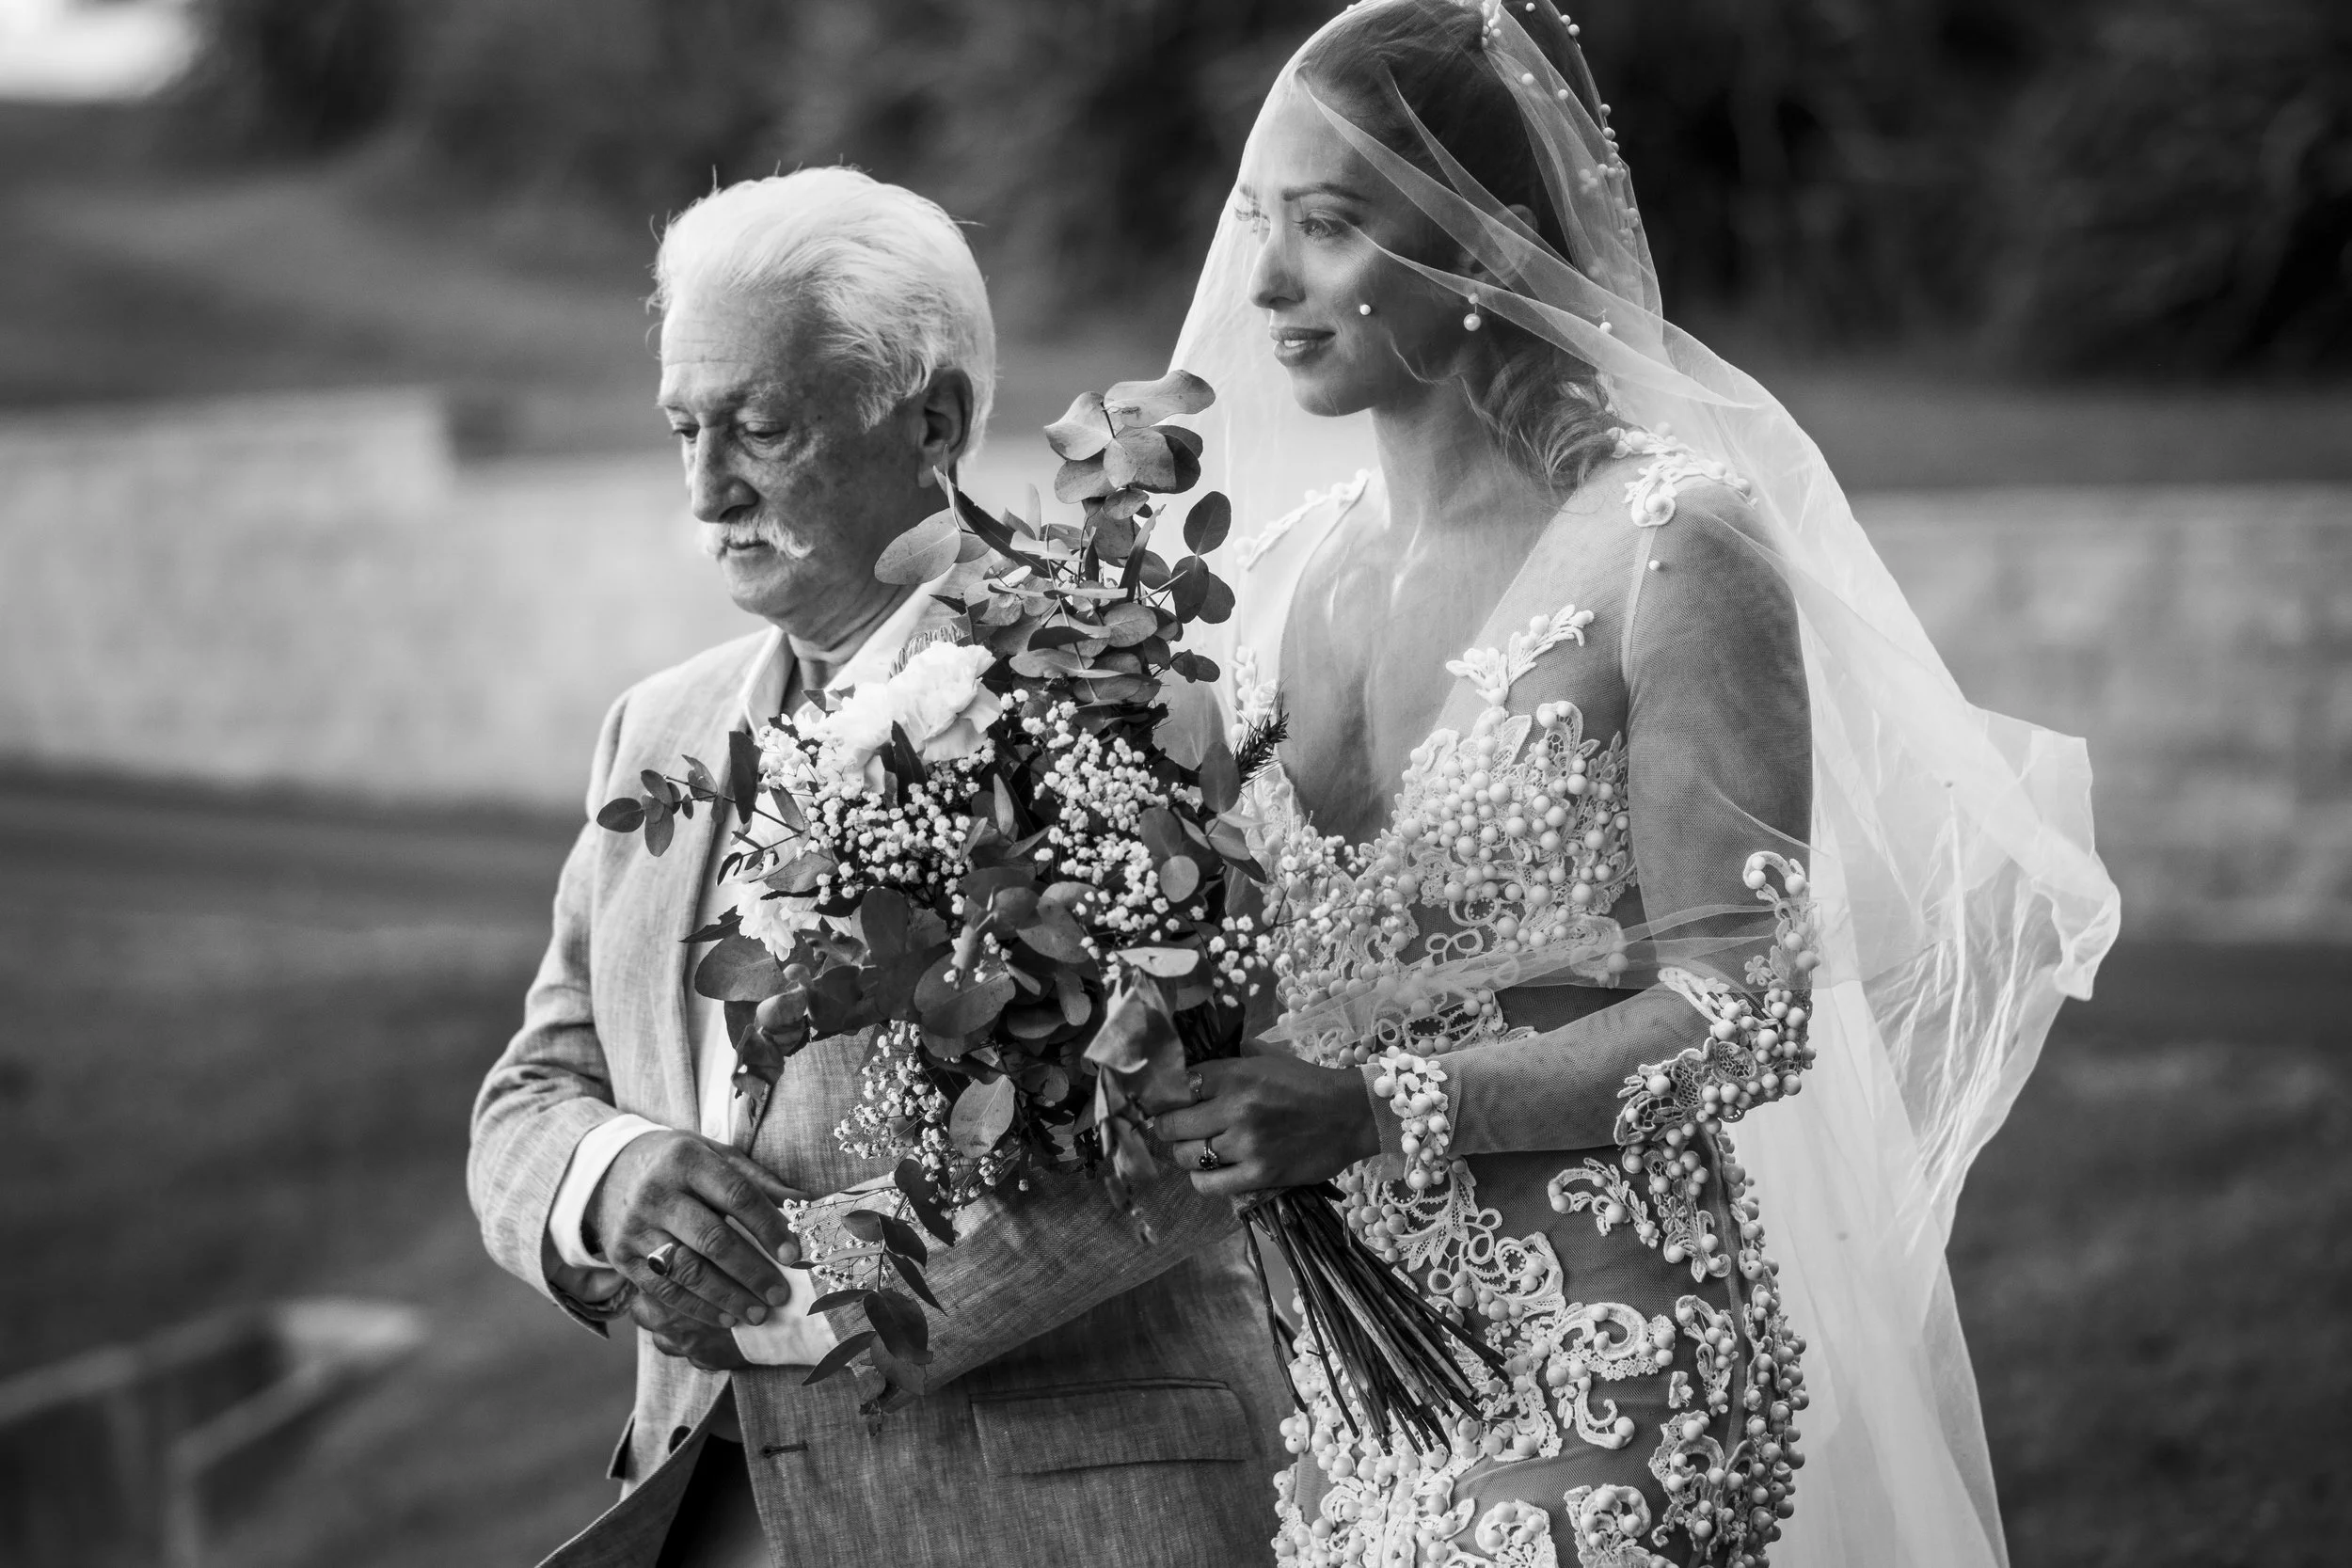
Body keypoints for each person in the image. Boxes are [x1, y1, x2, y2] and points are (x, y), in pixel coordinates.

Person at [1146, 4, 2120, 1566]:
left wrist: (1381, 1109)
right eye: (1259, 220)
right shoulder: (1264, 585)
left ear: (1490, 252)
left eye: (1328, 229)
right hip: (1352, 1390)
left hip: (1608, 1356)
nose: (1262, 281)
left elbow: (1745, 1004)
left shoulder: (1673, 548)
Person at [467, 166, 1287, 1568]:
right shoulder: (654, 731)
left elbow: (1172, 1142)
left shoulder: (1117, 695)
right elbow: (529, 1095)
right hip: (704, 1505)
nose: (707, 485)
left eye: (761, 428)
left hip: (1051, 1512)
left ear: (935, 423)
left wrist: (782, 1283)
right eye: (683, 426)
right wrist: (612, 1186)